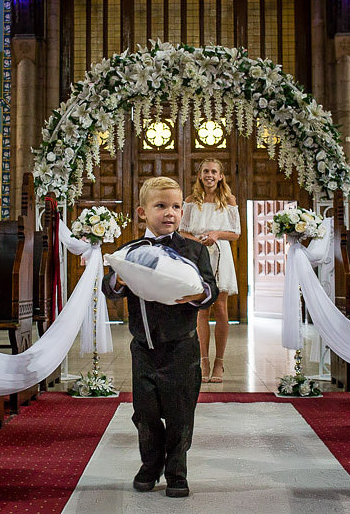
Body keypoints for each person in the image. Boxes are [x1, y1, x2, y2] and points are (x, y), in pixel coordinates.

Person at [102, 176, 218, 498]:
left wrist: (197, 294)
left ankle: (177, 470)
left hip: (181, 348)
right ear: (142, 212)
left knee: (181, 414)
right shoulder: (129, 252)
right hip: (144, 349)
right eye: (161, 206)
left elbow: (211, 291)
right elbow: (109, 287)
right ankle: (150, 465)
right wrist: (119, 282)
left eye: (176, 207)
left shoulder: (193, 250)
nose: (170, 213)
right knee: (145, 413)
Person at [179, 159, 240, 383]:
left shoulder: (229, 200)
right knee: (202, 308)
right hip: (197, 254)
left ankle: (219, 363)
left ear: (221, 176)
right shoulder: (190, 201)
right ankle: (203, 361)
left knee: (221, 308)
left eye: (214, 172)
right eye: (206, 171)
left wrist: (216, 234)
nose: (210, 175)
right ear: (200, 174)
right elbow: (182, 231)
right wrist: (198, 239)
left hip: (220, 254)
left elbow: (235, 233)